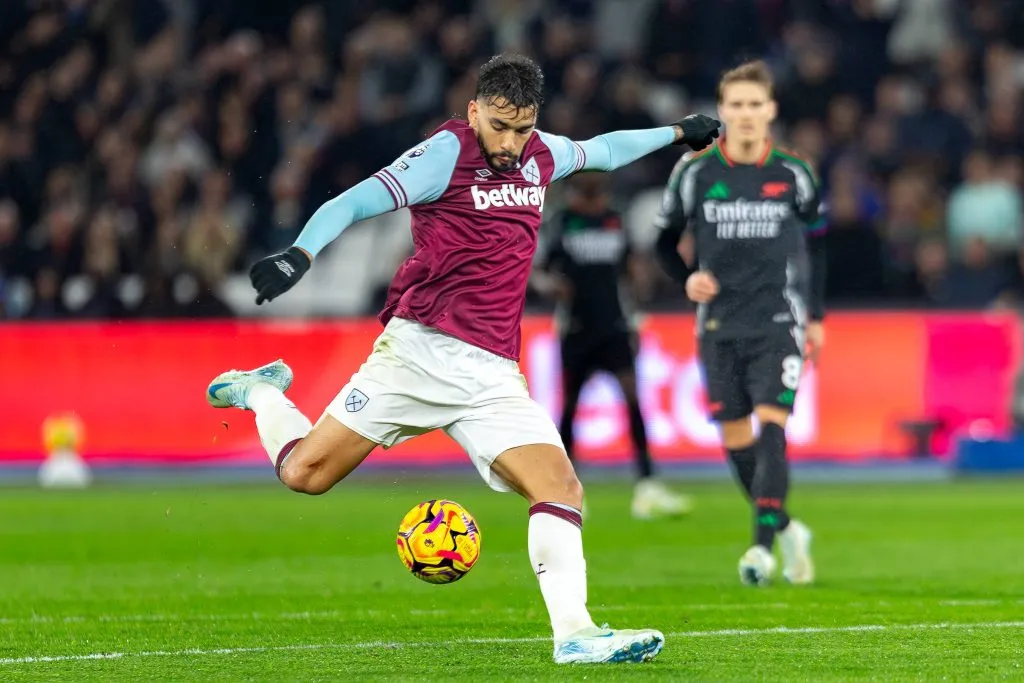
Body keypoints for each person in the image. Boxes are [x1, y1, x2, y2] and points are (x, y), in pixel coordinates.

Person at [206, 53, 719, 663]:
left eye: (522, 129)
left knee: (560, 486)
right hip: (417, 354)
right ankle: (262, 391)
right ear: (474, 111)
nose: (510, 143)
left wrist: (677, 132)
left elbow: (604, 150)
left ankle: (575, 635)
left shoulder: (541, 154)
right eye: (499, 126)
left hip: (492, 374)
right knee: (304, 475)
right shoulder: (443, 154)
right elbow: (353, 202)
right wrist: (300, 254)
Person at [654, 60, 823, 587]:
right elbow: (663, 242)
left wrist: (816, 316)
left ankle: (760, 549)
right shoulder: (695, 173)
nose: (746, 113)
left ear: (770, 110)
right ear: (722, 110)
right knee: (735, 437)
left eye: (755, 104)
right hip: (718, 324)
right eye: (736, 105)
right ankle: (788, 529)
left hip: (778, 319)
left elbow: (819, 243)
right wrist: (687, 278)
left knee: (772, 427)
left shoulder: (793, 173)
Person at [534, 172, 692, 519]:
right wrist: (551, 286)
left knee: (633, 401)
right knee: (570, 408)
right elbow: (539, 272)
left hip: (615, 326)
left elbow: (631, 269)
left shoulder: (615, 220)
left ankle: (647, 486)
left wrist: (638, 303)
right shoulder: (562, 222)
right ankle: (566, 488)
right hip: (576, 327)